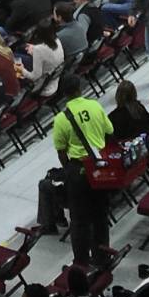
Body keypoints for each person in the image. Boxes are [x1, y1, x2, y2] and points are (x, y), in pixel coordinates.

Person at [49, 90, 115, 267]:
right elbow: (110, 132)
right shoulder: (95, 106)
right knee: (100, 216)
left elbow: (61, 151)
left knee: (79, 220)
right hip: (99, 167)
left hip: (78, 169)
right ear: (79, 90)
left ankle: (81, 263)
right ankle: (102, 258)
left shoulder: (61, 119)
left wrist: (69, 170)